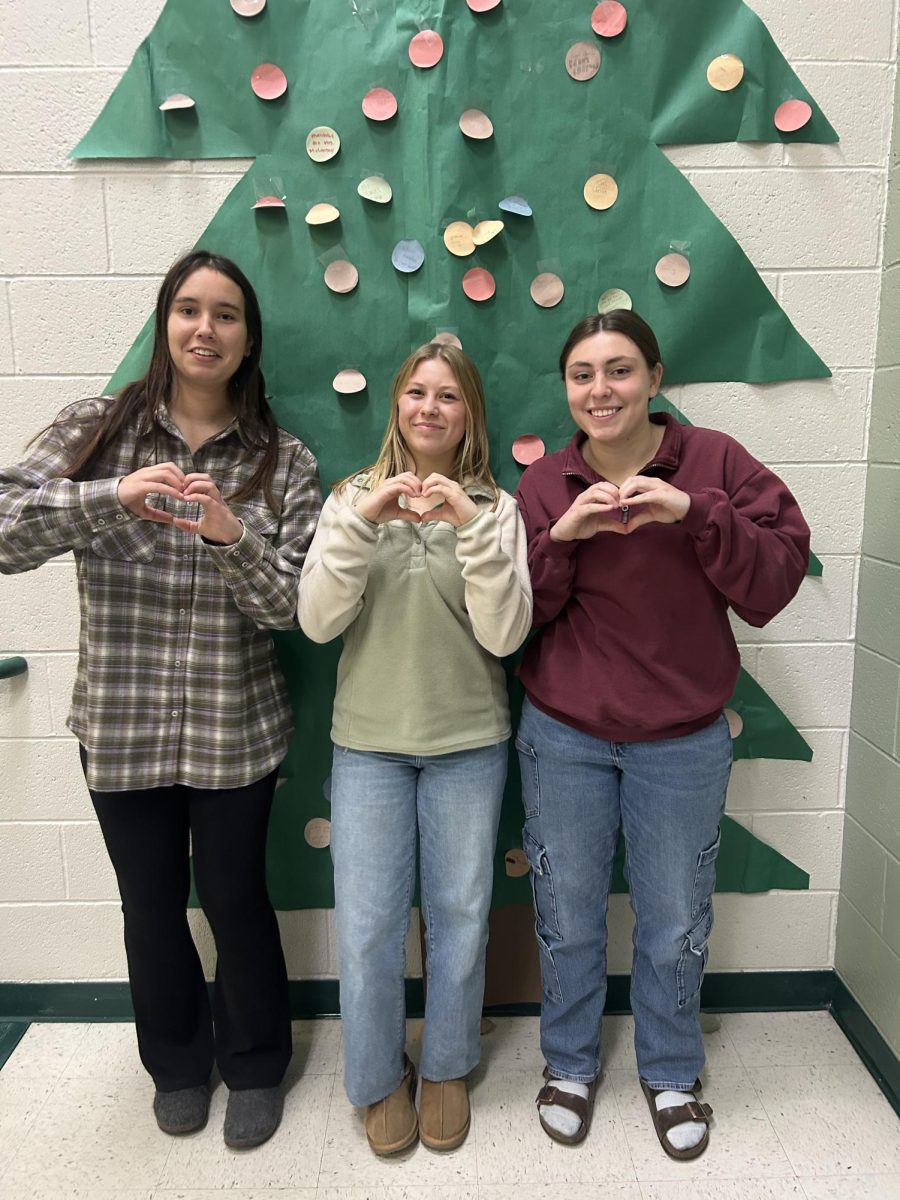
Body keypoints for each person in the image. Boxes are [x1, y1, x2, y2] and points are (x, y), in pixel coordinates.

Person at [0, 250, 322, 1149]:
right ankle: (177, 1066)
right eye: (188, 309)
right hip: (122, 724)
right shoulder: (96, 429)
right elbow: (4, 532)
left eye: (225, 314)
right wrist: (112, 498)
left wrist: (229, 535)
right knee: (148, 905)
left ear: (248, 339)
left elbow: (294, 608)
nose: (205, 328)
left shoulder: (283, 459)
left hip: (234, 731)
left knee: (235, 899)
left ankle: (256, 1065)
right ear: (163, 323)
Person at [514, 310, 809, 1158]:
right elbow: (516, 617)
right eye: (581, 375)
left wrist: (694, 511)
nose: (599, 391)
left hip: (681, 738)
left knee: (674, 918)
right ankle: (569, 1063)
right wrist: (564, 537)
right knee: (567, 913)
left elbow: (777, 575)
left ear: (653, 375)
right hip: (564, 732)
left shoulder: (712, 460)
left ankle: (671, 1072)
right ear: (565, 387)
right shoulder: (545, 483)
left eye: (618, 371)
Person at [299, 342, 532, 1155]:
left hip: (469, 742)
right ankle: (373, 1077)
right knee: (366, 924)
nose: (430, 408)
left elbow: (506, 635)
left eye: (448, 397)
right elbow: (318, 621)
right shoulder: (348, 500)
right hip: (368, 745)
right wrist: (364, 525)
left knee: (462, 916)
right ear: (396, 404)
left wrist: (468, 529)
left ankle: (445, 1066)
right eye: (416, 393)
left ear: (469, 412)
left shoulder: (497, 509)